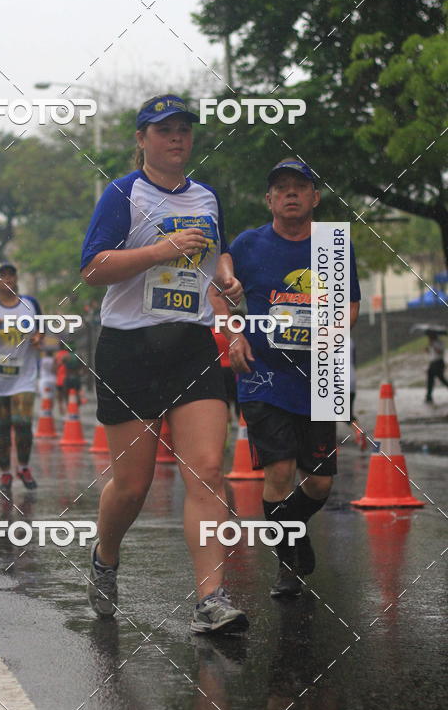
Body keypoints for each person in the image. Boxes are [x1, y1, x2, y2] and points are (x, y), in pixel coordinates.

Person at [80, 93, 248, 634]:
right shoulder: (122, 194)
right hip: (129, 348)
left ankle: (210, 600)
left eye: (183, 129)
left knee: (210, 471)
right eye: (163, 130)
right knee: (133, 486)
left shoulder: (207, 196)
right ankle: (105, 557)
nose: (176, 138)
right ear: (142, 139)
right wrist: (161, 249)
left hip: (191, 346)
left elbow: (214, 250)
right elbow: (94, 268)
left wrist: (225, 276)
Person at [213, 159, 361, 598]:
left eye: (300, 186)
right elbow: (218, 294)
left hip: (322, 372)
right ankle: (287, 568)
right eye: (282, 188)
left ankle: (291, 533)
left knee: (319, 483)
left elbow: (350, 305)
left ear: (315, 197)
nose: (291, 193)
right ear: (270, 199)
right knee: (277, 470)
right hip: (264, 375)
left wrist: (332, 332)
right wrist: (234, 335)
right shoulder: (247, 245)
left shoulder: (334, 245)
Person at [0, 263, 43, 491]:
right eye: (2, 275)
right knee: (1, 427)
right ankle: (6, 473)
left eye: (11, 274)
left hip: (24, 376)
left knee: (23, 422)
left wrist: (38, 338)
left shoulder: (30, 304)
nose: (7, 279)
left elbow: (40, 330)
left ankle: (24, 467)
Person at [424, 331, 448, 404]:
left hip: (439, 362)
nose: (429, 337)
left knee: (441, 378)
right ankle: (429, 396)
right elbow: (430, 353)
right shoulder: (431, 343)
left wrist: (433, 346)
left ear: (434, 335)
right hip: (432, 363)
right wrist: (427, 349)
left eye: (430, 336)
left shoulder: (439, 342)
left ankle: (429, 396)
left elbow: (440, 352)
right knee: (430, 379)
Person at [54, 342, 69, 416]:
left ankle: (60, 409)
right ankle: (68, 409)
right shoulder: (67, 354)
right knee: (66, 394)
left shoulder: (57, 355)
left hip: (59, 378)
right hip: (66, 378)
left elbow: (54, 368)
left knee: (59, 395)